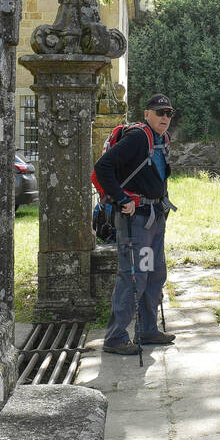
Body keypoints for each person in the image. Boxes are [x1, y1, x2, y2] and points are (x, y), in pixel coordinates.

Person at [93, 94, 176, 355]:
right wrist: (120, 199)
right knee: (133, 276)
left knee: (153, 273)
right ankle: (115, 337)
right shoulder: (138, 137)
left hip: (154, 217)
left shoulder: (161, 139)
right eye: (159, 112)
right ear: (147, 114)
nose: (165, 117)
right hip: (135, 220)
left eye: (169, 113)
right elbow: (103, 166)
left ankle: (147, 329)